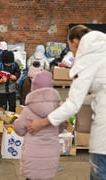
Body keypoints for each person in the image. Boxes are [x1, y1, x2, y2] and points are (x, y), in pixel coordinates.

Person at [26, 25, 106, 180]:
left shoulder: (88, 59)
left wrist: (41, 122)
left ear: (75, 42)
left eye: (71, 48)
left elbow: (73, 105)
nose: (73, 53)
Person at [13, 71, 64, 180]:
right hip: (50, 154)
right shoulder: (58, 108)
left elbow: (19, 130)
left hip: (33, 155)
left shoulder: (29, 109)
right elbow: (61, 127)